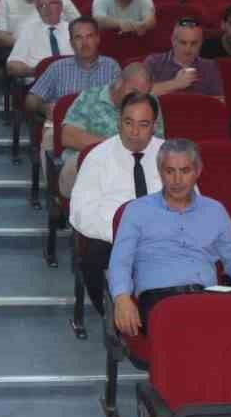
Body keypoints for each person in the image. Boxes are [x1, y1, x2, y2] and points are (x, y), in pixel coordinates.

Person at [108, 139, 231, 336]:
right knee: (196, 332)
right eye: (170, 171)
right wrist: (121, 297)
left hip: (207, 296)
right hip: (159, 299)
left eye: (185, 171)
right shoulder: (137, 210)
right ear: (160, 172)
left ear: (198, 172)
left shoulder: (215, 210)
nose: (177, 180)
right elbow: (120, 262)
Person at [68, 92, 164, 312]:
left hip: (163, 238)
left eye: (143, 124)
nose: (134, 132)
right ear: (118, 121)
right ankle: (115, 321)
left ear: (154, 126)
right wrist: (125, 234)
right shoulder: (98, 157)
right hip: (113, 238)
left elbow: (191, 203)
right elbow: (81, 213)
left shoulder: (169, 155)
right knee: (94, 257)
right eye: (128, 123)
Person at [56, 62, 164, 196]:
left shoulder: (150, 103)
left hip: (135, 166)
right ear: (119, 82)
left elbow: (157, 143)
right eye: (133, 91)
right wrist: (117, 148)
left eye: (144, 94)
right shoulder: (90, 97)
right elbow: (68, 136)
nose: (137, 99)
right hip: (91, 164)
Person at [27, 17, 120, 120]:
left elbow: (123, 100)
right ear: (71, 43)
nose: (85, 43)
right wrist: (44, 108)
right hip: (63, 123)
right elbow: (31, 100)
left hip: (102, 124)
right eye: (78, 38)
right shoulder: (57, 68)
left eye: (89, 36)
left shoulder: (112, 67)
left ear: (97, 39)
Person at [5, 0, 74, 82]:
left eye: (52, 3)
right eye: (42, 5)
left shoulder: (73, 29)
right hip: (39, 82)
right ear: (38, 10)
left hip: (71, 80)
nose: (47, 9)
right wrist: (36, 71)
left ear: (61, 6)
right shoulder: (28, 31)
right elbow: (12, 66)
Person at [145, 17, 223, 98]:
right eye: (183, 42)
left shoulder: (210, 66)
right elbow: (141, 94)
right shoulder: (154, 62)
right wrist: (176, 83)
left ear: (201, 43)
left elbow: (219, 101)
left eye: (194, 43)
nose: (188, 49)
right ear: (173, 41)